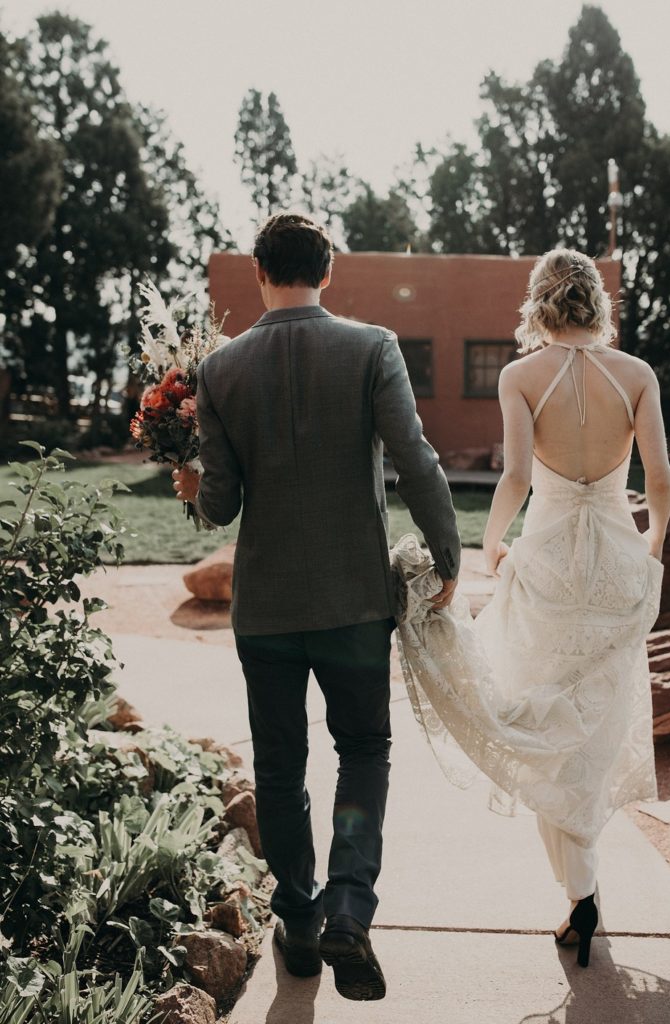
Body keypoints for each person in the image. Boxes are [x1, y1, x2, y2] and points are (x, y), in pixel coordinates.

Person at [173, 212, 460, 1001]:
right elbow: (416, 459)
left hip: (265, 610)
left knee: (279, 766)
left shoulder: (220, 369)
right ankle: (350, 908)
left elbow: (222, 508)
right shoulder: (372, 347)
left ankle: (298, 923)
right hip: (352, 602)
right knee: (363, 750)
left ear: (260, 274)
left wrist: (193, 488)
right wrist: (446, 556)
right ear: (326, 272)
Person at [394, 247, 670, 970]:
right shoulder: (637, 375)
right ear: (597, 303)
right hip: (616, 560)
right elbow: (664, 484)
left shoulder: (521, 375)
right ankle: (583, 888)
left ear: (539, 303)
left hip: (548, 560)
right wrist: (653, 554)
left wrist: (493, 544)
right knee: (595, 720)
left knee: (537, 705)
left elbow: (516, 477)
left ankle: (581, 896)